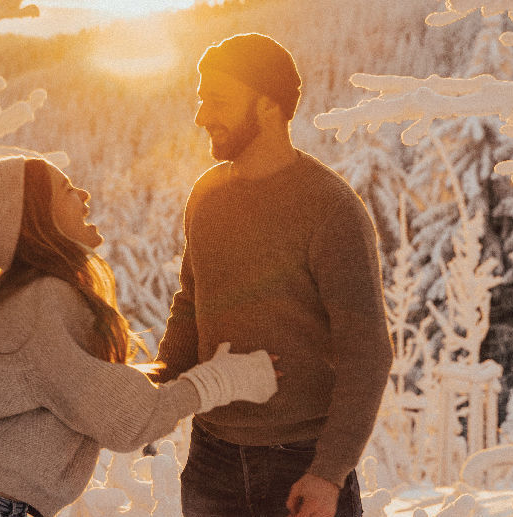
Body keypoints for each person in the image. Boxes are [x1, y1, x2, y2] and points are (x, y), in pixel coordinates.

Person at [0, 156, 279, 517]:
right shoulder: (41, 300)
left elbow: (79, 389)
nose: (83, 195)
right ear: (35, 216)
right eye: (66, 189)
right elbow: (127, 420)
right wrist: (222, 380)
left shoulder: (24, 296)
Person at [151, 33, 394, 517]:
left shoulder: (331, 208)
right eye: (201, 99)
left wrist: (328, 474)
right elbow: (192, 303)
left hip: (300, 464)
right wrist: (157, 388)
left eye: (217, 100)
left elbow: (367, 351)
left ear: (267, 106)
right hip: (211, 460)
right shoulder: (207, 194)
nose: (202, 116)